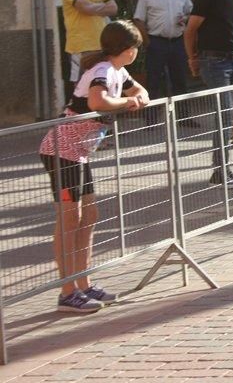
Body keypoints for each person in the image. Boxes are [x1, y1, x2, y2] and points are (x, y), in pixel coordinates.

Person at [39, 20, 149, 313]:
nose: (136, 52)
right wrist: (126, 104)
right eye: (135, 47)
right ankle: (67, 292)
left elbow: (138, 88)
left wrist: (138, 96)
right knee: (69, 218)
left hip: (79, 153)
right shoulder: (101, 71)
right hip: (62, 151)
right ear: (127, 50)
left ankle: (84, 283)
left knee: (89, 215)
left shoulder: (117, 70)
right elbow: (97, 101)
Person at [184, 0, 233, 188]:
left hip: (231, 60)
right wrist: (192, 58)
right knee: (225, 115)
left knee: (227, 115)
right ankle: (220, 173)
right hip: (213, 62)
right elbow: (190, 30)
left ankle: (222, 171)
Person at [133, 0, 193, 124]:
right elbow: (138, 20)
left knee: (180, 80)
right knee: (154, 81)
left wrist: (185, 19)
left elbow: (191, 13)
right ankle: (151, 120)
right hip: (156, 42)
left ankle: (184, 118)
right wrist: (147, 42)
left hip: (177, 42)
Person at [61, 0, 118, 101]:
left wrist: (92, 7)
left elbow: (114, 8)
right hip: (80, 45)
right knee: (80, 85)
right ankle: (80, 120)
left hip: (101, 42)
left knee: (101, 81)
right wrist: (101, 6)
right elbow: (83, 8)